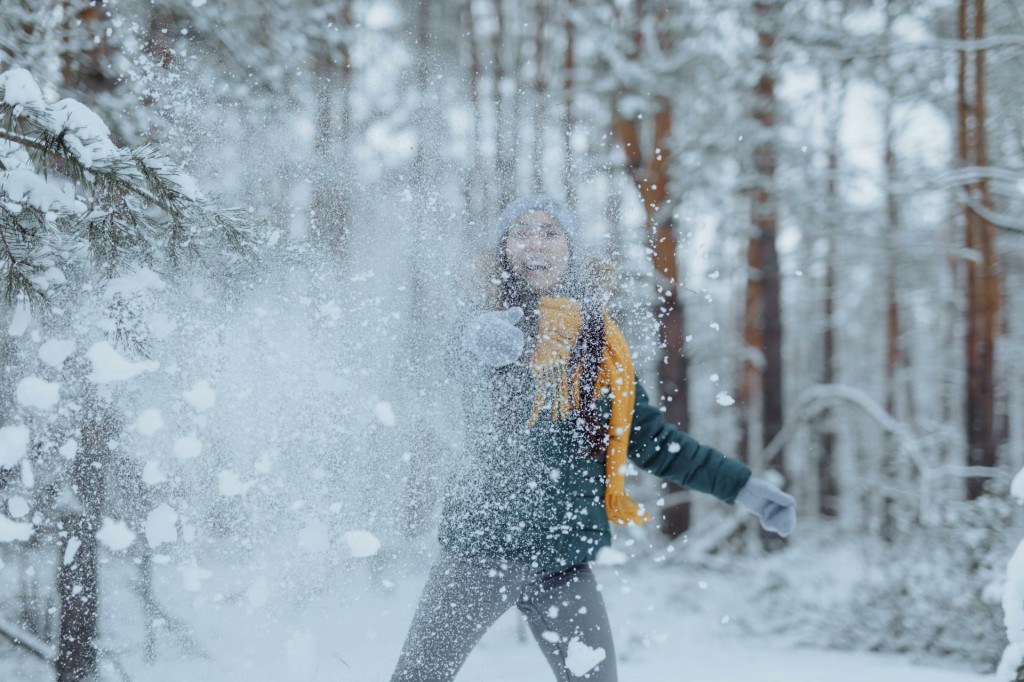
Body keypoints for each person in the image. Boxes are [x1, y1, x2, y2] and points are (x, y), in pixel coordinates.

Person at [389, 195, 796, 682]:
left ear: (570, 250)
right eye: (521, 232)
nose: (535, 242)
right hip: (480, 548)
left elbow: (651, 440)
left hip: (562, 557)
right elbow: (441, 375)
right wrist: (476, 346)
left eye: (550, 232)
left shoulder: (601, 347)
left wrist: (743, 487)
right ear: (503, 251)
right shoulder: (480, 323)